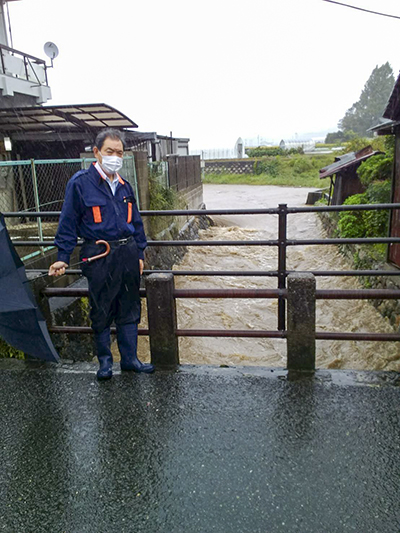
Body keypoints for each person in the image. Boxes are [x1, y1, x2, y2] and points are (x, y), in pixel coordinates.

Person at [48, 128, 154, 380]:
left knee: (129, 307)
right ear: (96, 152)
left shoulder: (125, 186)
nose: (115, 157)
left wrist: (140, 252)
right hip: (99, 255)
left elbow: (136, 223)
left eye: (119, 152)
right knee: (102, 308)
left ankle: (130, 360)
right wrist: (63, 256)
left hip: (127, 254)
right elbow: (68, 222)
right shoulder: (80, 183)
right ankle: (105, 363)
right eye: (110, 151)